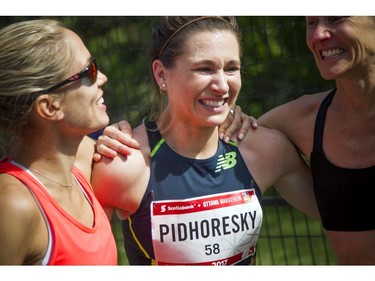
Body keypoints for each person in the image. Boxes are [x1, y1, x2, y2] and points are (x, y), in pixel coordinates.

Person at [91, 16, 320, 266]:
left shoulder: (262, 149)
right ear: (161, 74)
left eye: (231, 68)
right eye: (205, 69)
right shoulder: (125, 162)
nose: (222, 86)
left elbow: (347, 220)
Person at [253, 16, 375, 265]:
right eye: (311, 23)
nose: (318, 35)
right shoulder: (300, 120)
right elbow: (244, 133)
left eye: (336, 18)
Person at [0, 19, 117, 265]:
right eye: (90, 72)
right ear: (50, 107)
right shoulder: (13, 205)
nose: (103, 78)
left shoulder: (83, 159)